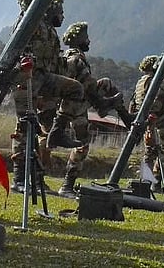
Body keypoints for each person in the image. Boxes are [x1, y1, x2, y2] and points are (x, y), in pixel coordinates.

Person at [8, 0, 84, 193]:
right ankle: (20, 179)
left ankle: (58, 131)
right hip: (25, 78)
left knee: (75, 89)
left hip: (43, 78)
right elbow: (16, 50)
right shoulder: (27, 20)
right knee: (26, 127)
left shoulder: (45, 25)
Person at [55, 21, 128, 199]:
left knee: (107, 82)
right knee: (82, 145)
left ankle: (124, 116)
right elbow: (86, 85)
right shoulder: (75, 59)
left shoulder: (72, 56)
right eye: (86, 37)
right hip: (74, 107)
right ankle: (67, 186)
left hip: (78, 103)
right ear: (79, 39)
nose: (89, 41)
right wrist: (100, 101)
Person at [129, 54, 164, 192]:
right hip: (157, 120)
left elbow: (132, 102)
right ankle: (155, 183)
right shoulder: (161, 80)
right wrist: (154, 118)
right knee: (163, 151)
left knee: (149, 152)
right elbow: (159, 100)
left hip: (143, 120)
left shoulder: (141, 81)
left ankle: (145, 183)